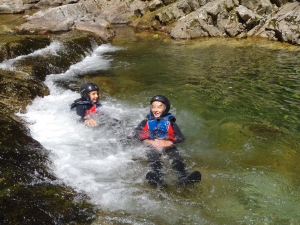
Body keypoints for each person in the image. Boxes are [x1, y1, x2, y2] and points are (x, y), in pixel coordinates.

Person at [135, 94, 201, 187]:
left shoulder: (171, 123)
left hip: (167, 144)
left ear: (165, 108)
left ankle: (183, 176)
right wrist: (148, 141)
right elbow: (136, 135)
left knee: (175, 157)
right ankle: (158, 177)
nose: (155, 110)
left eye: (159, 107)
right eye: (153, 107)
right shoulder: (145, 122)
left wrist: (169, 142)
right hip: (151, 145)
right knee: (153, 157)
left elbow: (181, 138)